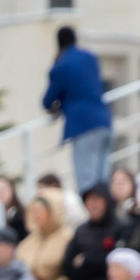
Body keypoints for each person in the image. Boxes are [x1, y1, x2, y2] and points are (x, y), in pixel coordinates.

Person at [43, 25, 113, 192]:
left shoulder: (61, 65)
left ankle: (94, 216)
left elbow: (47, 101)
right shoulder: (90, 58)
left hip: (83, 126)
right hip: (105, 121)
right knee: (103, 181)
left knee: (87, 183)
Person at [58, 184, 121, 280]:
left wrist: (86, 260)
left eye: (97, 200)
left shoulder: (120, 227)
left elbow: (115, 264)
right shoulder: (81, 230)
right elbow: (67, 265)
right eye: (89, 200)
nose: (93, 204)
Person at [15, 190, 72, 280]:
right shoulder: (26, 243)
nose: (36, 215)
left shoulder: (68, 237)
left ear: (52, 212)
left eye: (40, 211)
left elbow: (70, 274)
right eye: (34, 211)